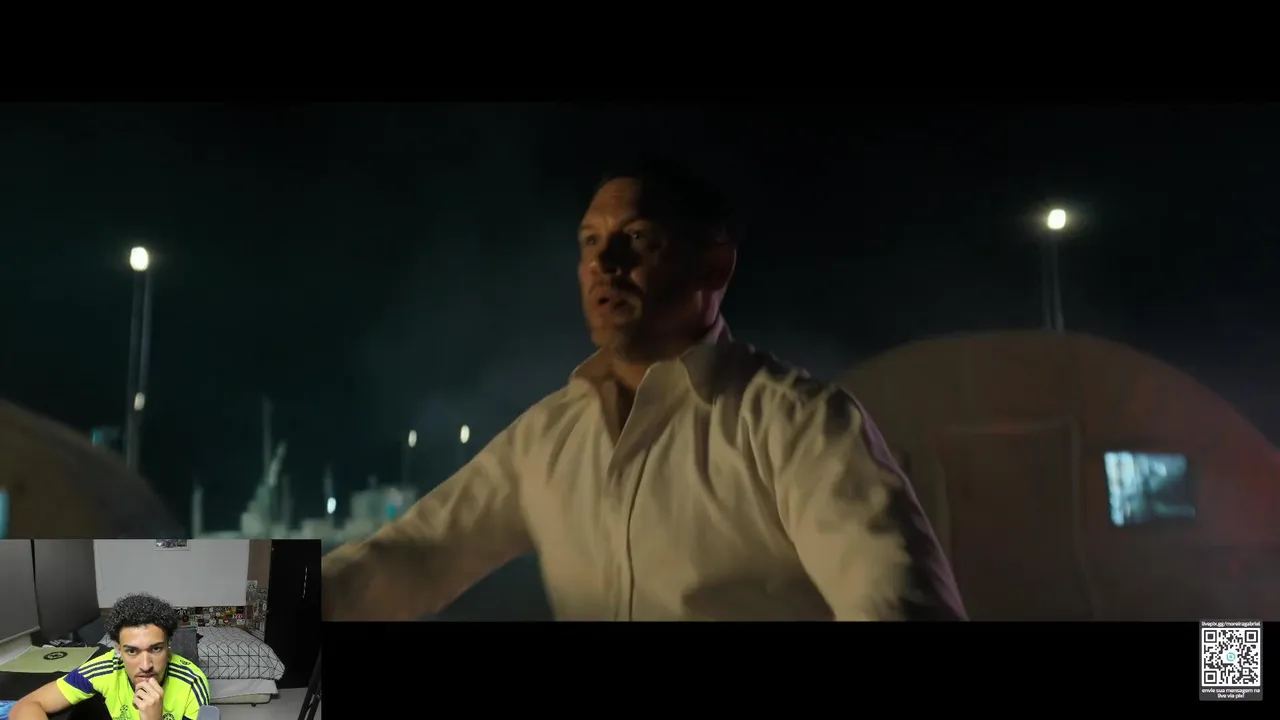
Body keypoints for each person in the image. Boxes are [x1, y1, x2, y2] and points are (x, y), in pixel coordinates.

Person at [323, 159, 968, 621]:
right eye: (590, 242)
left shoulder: (797, 423)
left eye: (637, 239)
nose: (604, 264)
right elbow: (410, 556)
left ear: (714, 266)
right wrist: (253, 659)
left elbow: (895, 598)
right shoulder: (548, 438)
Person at [10, 593, 211, 720]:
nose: (145, 665)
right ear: (118, 650)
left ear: (168, 647)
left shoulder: (192, 683)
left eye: (156, 649)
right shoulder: (105, 669)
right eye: (132, 651)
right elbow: (26, 705)